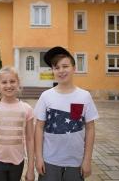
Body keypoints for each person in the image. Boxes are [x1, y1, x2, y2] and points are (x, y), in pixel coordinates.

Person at [34, 46, 99, 181]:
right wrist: (38, 158)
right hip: (49, 161)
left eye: (65, 66)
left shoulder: (84, 96)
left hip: (76, 162)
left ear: (74, 68)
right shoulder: (46, 96)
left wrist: (87, 160)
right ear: (52, 71)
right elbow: (39, 128)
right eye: (56, 67)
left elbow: (90, 128)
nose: (61, 71)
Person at [0, 66, 35, 181]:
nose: (8, 85)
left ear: (18, 83)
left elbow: (30, 139)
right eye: (4, 82)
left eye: (12, 81)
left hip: (17, 162)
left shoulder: (27, 109)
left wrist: (30, 169)